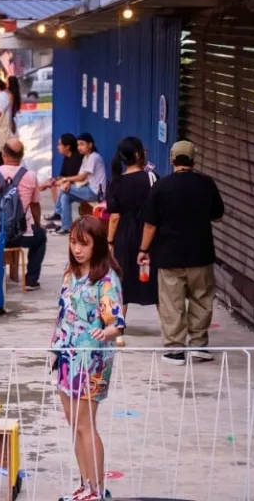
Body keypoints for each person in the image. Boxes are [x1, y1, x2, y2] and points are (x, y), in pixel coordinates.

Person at [51, 216, 125, 501]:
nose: (77, 249)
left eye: (84, 243)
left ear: (97, 245)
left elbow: (116, 323)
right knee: (74, 426)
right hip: (65, 356)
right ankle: (84, 485)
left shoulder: (106, 279)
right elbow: (62, 314)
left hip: (91, 360)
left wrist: (106, 332)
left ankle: (97, 490)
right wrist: (55, 348)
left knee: (86, 425)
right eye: (73, 242)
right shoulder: (70, 273)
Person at [138, 140, 224, 366]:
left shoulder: (161, 186)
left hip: (169, 256)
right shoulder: (207, 184)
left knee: (171, 303)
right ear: (194, 160)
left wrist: (143, 249)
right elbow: (217, 216)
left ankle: (175, 350)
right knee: (202, 299)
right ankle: (198, 345)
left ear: (172, 160)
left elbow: (150, 225)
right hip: (201, 254)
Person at [0, 139, 47, 290]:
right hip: (21, 236)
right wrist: (37, 225)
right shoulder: (30, 176)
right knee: (40, 236)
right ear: (22, 155)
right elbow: (35, 205)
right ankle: (30, 281)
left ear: (3, 154)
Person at [106, 137, 158, 320]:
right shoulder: (151, 178)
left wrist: (109, 241)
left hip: (124, 237)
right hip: (149, 234)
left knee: (122, 282)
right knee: (156, 284)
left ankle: (118, 326)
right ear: (137, 154)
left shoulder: (116, 183)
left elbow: (114, 217)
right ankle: (168, 328)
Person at [55, 133, 107, 236]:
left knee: (63, 188)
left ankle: (57, 212)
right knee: (65, 197)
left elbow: (82, 177)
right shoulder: (86, 158)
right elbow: (79, 176)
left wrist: (65, 180)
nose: (79, 147)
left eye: (82, 144)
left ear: (90, 145)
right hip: (88, 190)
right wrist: (68, 182)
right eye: (78, 145)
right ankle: (66, 227)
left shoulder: (94, 157)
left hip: (95, 193)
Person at [43, 134, 83, 229]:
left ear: (67, 146)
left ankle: (58, 213)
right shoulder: (67, 157)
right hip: (70, 182)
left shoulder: (77, 157)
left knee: (61, 187)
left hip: (81, 185)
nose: (57, 147)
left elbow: (72, 179)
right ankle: (60, 216)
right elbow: (63, 176)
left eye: (59, 144)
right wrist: (51, 181)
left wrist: (50, 184)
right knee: (53, 183)